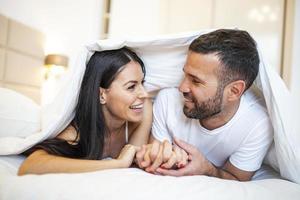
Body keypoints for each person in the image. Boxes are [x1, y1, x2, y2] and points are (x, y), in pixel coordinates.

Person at [135, 29, 273, 181]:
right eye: (185, 75)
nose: (182, 88)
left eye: (195, 81)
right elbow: (155, 160)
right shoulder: (167, 100)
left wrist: (207, 169)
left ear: (234, 91)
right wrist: (158, 156)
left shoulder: (257, 125)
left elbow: (237, 179)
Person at [18, 47, 155, 175]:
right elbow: (29, 165)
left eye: (142, 83)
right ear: (102, 95)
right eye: (131, 87)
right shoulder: (76, 132)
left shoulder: (144, 109)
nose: (144, 94)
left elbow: (135, 160)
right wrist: (117, 164)